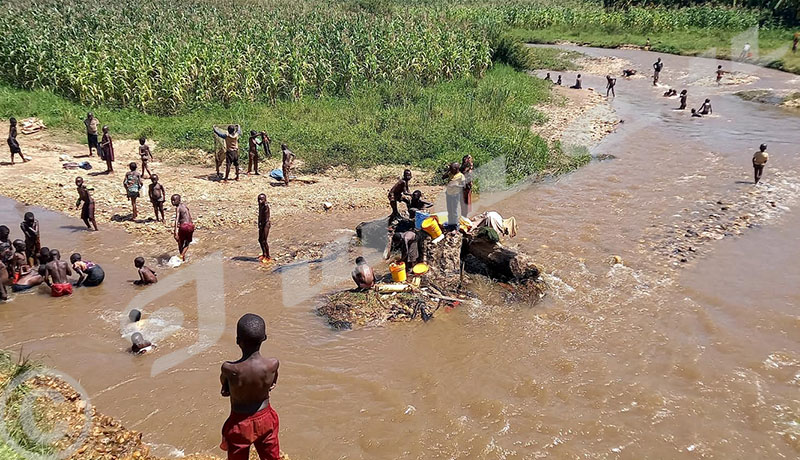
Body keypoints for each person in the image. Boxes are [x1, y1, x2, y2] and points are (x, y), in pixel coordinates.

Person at [220, 313, 281, 460]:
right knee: (271, 456)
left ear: (237, 341)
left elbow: (225, 389)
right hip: (266, 418)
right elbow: (272, 384)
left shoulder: (229, 368)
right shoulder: (272, 364)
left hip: (240, 423)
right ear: (264, 338)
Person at [172, 194, 194, 261]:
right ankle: (182, 257)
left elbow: (176, 219)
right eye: (171, 200)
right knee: (187, 242)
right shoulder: (184, 206)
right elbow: (189, 216)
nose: (172, 202)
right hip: (191, 226)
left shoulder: (178, 208)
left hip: (184, 226)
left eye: (174, 200)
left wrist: (175, 231)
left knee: (180, 242)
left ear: (179, 200)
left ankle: (181, 257)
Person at [444, 162, 465, 227]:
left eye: (452, 168)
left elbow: (464, 186)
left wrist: (456, 185)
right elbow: (443, 177)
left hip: (455, 195)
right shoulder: (450, 173)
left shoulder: (461, 176)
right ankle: (450, 224)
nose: (451, 170)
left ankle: (455, 226)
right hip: (448, 194)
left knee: (454, 211)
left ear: (456, 169)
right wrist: (448, 171)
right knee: (449, 210)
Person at [257, 194, 271, 263]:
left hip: (266, 224)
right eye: (259, 199)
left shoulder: (266, 206)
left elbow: (266, 218)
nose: (260, 201)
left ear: (265, 200)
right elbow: (260, 215)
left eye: (261, 199)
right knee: (260, 240)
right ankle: (264, 254)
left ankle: (268, 256)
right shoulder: (260, 205)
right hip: (261, 224)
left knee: (264, 240)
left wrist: (262, 226)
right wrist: (259, 223)